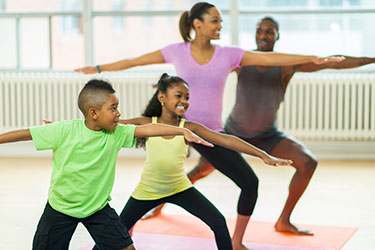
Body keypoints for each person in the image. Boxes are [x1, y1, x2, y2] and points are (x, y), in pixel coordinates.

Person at [75, 2, 343, 249]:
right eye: (215, 21)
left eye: (221, 22)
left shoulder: (229, 55)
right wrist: (97, 67)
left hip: (206, 131)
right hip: (173, 127)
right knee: (158, 177)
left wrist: (311, 57)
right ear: (197, 24)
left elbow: (270, 58)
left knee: (249, 182)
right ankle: (131, 226)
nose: (219, 26)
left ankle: (236, 241)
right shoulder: (175, 51)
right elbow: (135, 61)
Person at [187, 16, 375, 236]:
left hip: (267, 135)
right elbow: (206, 73)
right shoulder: (242, 60)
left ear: (277, 36)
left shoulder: (286, 65)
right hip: (234, 134)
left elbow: (330, 63)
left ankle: (283, 221)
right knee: (200, 170)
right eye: (259, 31)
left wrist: (369, 59)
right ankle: (158, 205)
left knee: (307, 163)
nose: (263, 36)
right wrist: (178, 87)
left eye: (269, 32)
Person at [0, 79, 212, 250]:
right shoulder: (64, 130)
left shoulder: (115, 133)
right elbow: (26, 134)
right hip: (60, 208)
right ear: (93, 113)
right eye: (113, 108)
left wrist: (181, 130)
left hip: (97, 208)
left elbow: (147, 129)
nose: (119, 113)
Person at [91, 73, 292, 250]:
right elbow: (111, 126)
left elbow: (227, 140)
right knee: (114, 234)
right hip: (148, 191)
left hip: (180, 188)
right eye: (178, 96)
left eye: (187, 97)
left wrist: (263, 155)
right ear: (162, 97)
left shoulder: (190, 127)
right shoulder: (146, 123)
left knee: (218, 222)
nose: (184, 101)